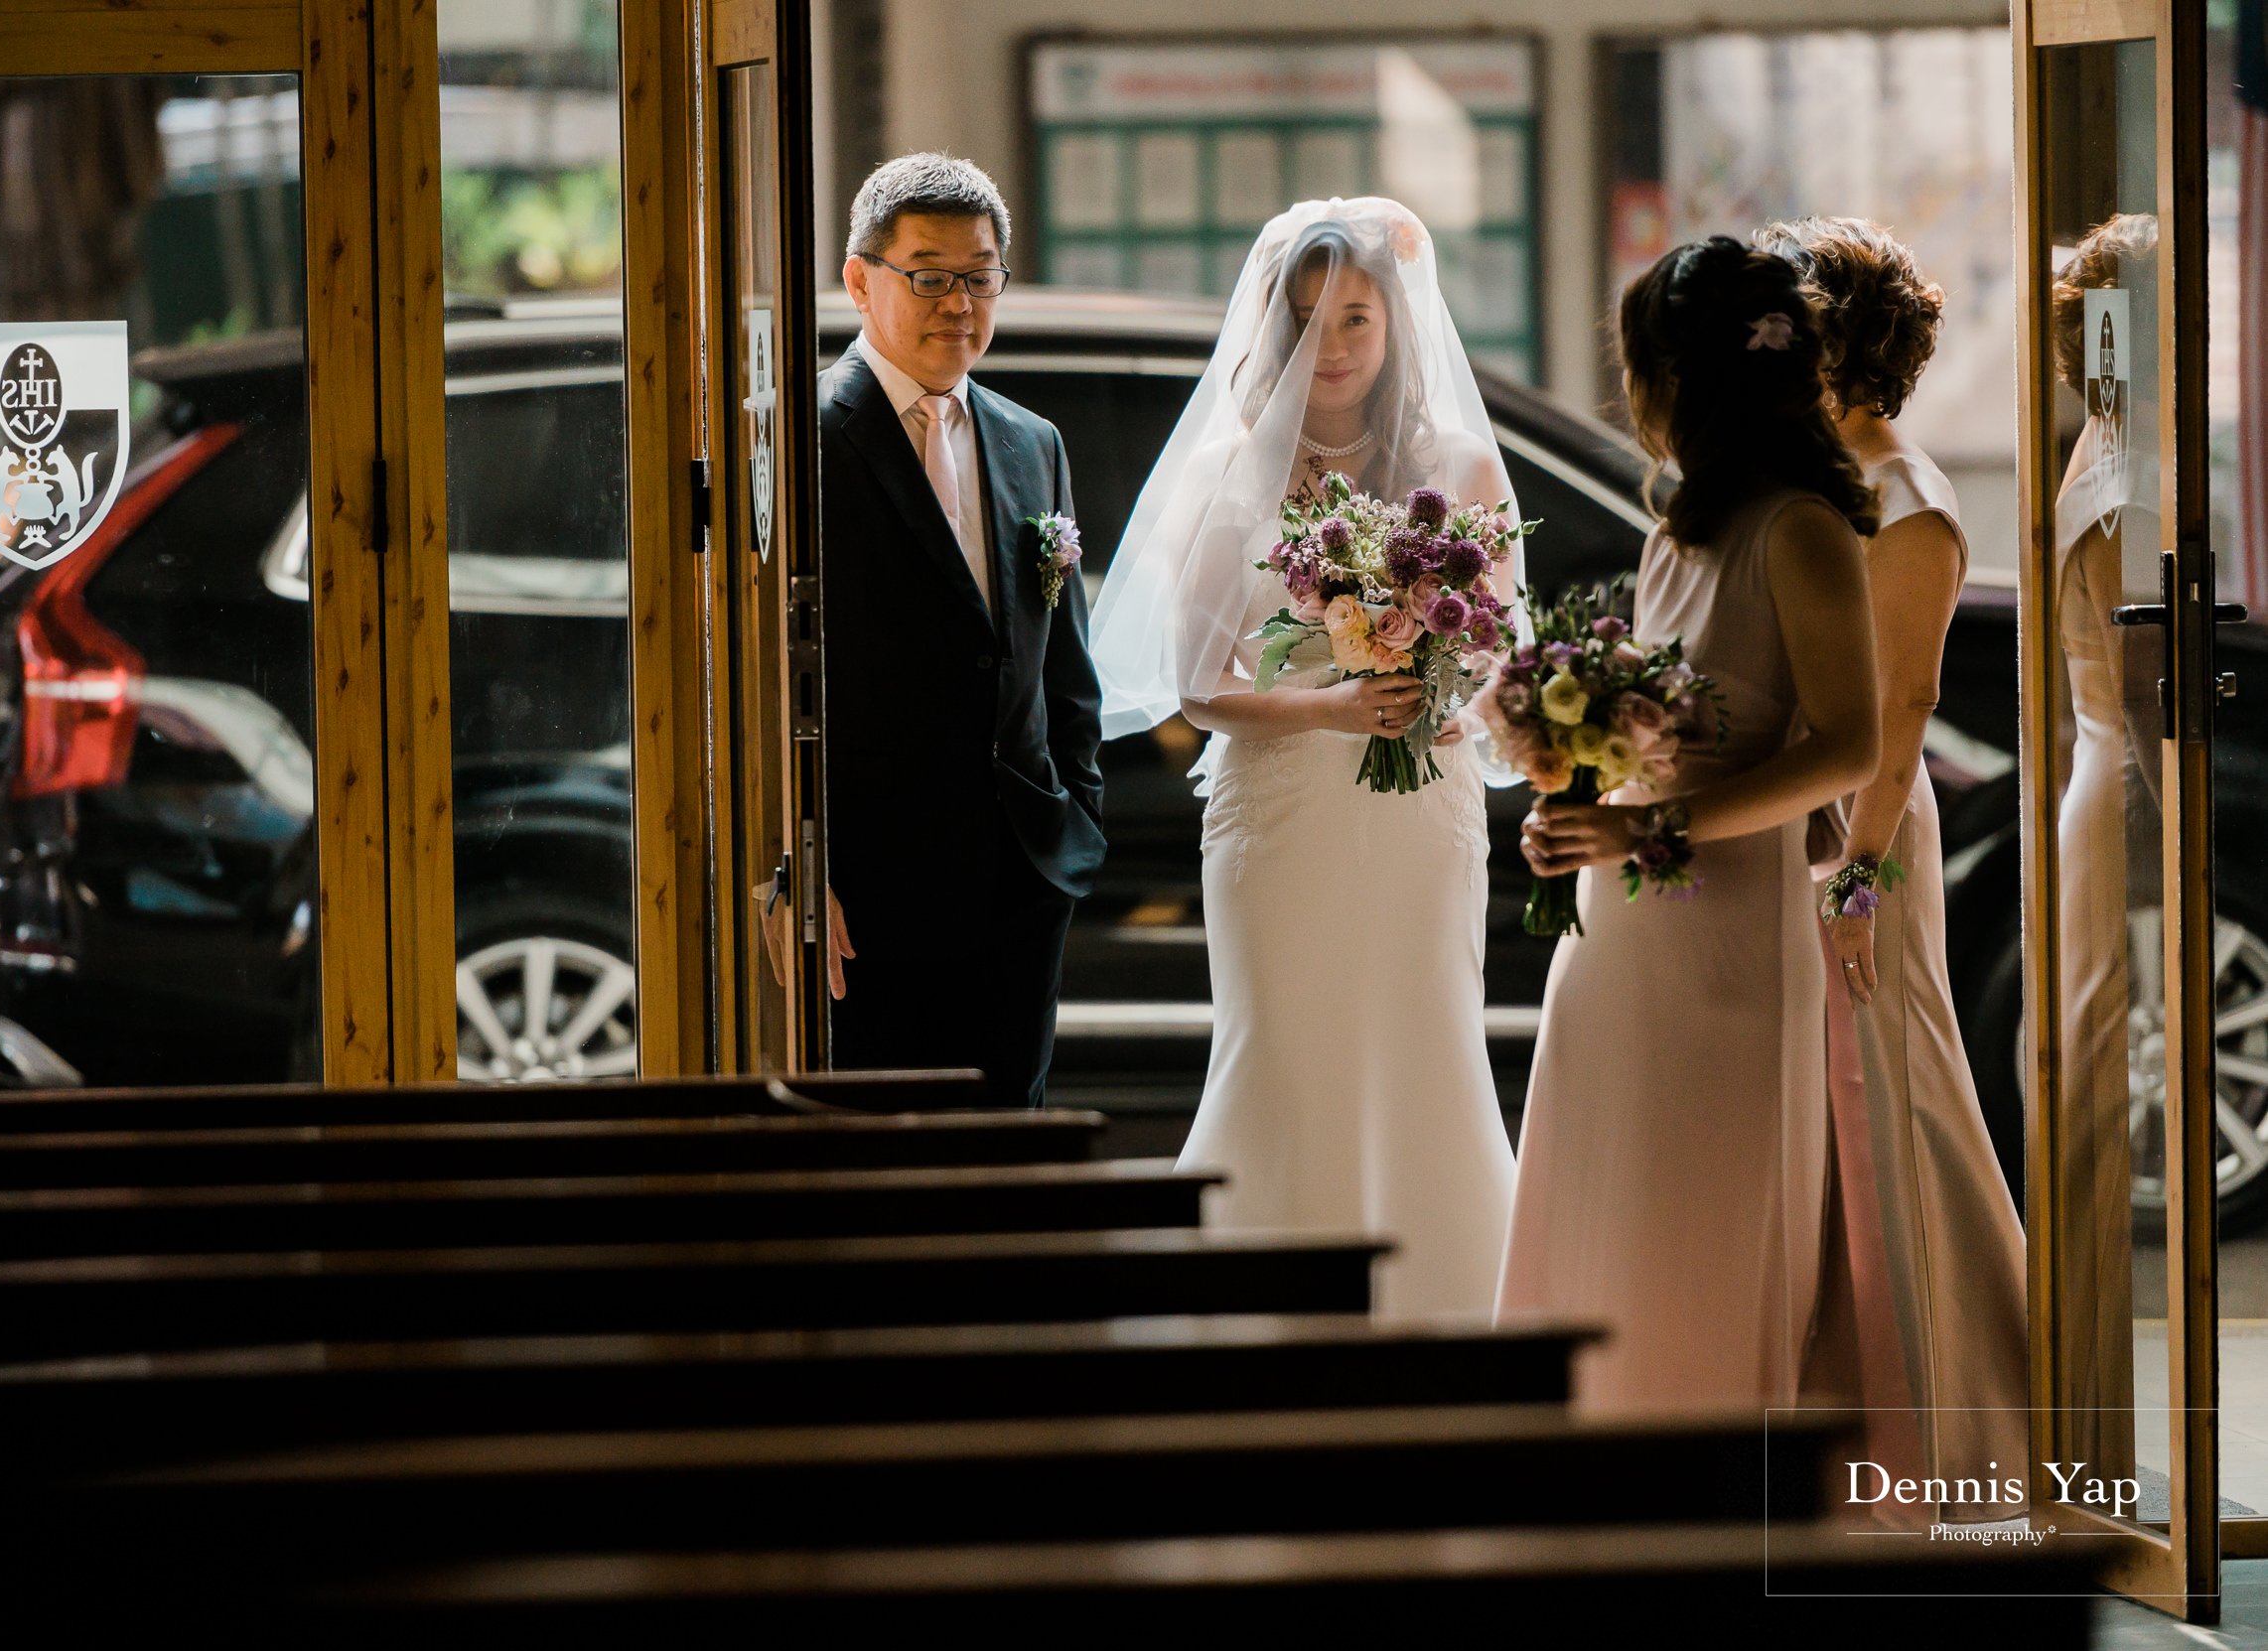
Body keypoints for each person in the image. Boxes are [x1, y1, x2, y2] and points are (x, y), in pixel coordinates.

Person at [1089, 199, 1526, 1317]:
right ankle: (1259, 1315)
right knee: (1285, 1056)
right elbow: (1197, 683)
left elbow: (1497, 649)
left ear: (1396, 326)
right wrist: (1332, 710)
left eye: (1354, 320)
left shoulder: (1458, 462)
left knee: (1423, 1052)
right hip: (1280, 814)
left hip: (1417, 815)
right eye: (1306, 320)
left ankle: (1447, 1309)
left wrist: (1450, 704)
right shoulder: (1234, 464)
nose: (1329, 349)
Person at [1499, 235, 1882, 1409]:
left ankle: (1713, 1463)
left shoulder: (1799, 531)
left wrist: (1645, 835)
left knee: (1709, 1211)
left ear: (1685, 381)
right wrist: (1573, 790)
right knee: (1607, 1187)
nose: (1638, 401)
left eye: (1642, 372)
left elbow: (1846, 745)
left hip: (1726, 935)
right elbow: (1655, 724)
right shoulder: (1681, 533)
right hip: (1619, 932)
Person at [1755, 215, 2029, 1515]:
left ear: (1840, 352)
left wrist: (1856, 878)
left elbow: (1907, 697)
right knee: (1828, 1118)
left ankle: (1960, 1415)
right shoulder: (1833, 486)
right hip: (1817, 820)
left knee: (1895, 1105)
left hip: (1867, 834)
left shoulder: (1908, 502)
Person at [793, 153, 1104, 1107]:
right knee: (881, 1165)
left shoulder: (1030, 440)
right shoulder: (798, 437)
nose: (958, 302)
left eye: (979, 276)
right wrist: (793, 864)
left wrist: (1073, 815)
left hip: (1019, 877)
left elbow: (1065, 669)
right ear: (859, 280)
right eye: (928, 275)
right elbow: (759, 671)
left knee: (1014, 1156)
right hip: (866, 895)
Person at [2044, 211, 2167, 1477]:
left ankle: (2084, 1411)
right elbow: (2143, 676)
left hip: (2098, 775)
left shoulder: (2105, 443)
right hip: (2130, 786)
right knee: (2094, 1098)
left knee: (2089, 1087)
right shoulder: (2130, 464)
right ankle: (2084, 1422)